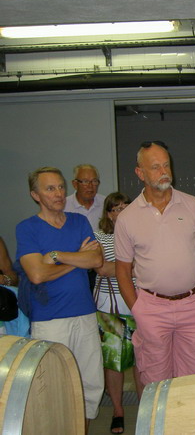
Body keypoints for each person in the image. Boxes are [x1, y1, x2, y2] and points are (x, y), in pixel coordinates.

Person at [114, 141, 195, 386]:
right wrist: (138, 309)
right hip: (152, 308)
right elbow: (122, 271)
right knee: (156, 380)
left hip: (194, 305)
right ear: (140, 173)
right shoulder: (127, 218)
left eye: (166, 165)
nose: (164, 172)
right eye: (155, 167)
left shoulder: (192, 205)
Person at [16, 166, 104, 428]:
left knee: (89, 386)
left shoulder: (79, 222)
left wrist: (56, 256)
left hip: (85, 315)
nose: (58, 193)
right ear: (35, 195)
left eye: (60, 187)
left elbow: (96, 259)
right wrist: (78, 260)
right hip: (50, 320)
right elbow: (37, 275)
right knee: (54, 388)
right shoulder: (27, 228)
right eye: (50, 189)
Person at [93, 192, 142, 434]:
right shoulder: (99, 237)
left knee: (142, 361)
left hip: (140, 306)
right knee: (114, 362)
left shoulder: (142, 233)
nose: (121, 212)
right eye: (116, 209)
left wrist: (122, 269)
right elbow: (102, 268)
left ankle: (145, 408)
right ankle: (117, 410)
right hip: (110, 309)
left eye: (125, 207)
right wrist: (134, 268)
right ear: (108, 214)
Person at [65, 164, 106, 231]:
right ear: (75, 184)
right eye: (85, 181)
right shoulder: (64, 206)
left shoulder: (106, 203)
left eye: (94, 181)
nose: (90, 186)